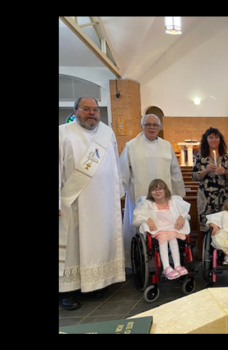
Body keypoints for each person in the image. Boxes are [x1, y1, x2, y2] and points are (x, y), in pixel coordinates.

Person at [59, 96, 126, 310]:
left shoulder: (107, 133)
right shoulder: (63, 133)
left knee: (97, 242)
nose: (92, 113)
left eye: (95, 109)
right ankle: (67, 291)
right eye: (86, 109)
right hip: (72, 201)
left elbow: (115, 163)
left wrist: (118, 192)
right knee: (72, 247)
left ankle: (96, 283)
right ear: (75, 111)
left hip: (103, 200)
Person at [119, 114, 186, 268]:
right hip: (139, 195)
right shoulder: (131, 146)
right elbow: (122, 171)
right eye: (147, 124)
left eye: (155, 125)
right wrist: (118, 192)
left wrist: (178, 195)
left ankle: (166, 260)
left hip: (164, 199)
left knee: (164, 226)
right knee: (141, 225)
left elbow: (175, 171)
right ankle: (138, 261)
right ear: (141, 126)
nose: (151, 127)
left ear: (159, 127)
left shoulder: (166, 146)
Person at [132, 179, 191, 280]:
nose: (157, 191)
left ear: (165, 190)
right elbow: (136, 220)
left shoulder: (173, 202)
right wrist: (147, 218)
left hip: (172, 229)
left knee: (172, 238)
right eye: (154, 190)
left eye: (160, 189)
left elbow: (187, 215)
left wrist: (182, 216)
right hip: (158, 231)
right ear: (150, 193)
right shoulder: (147, 204)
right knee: (163, 238)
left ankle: (177, 265)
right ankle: (166, 267)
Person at [192, 127, 228, 232]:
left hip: (223, 196)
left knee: (224, 228)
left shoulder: (227, 157)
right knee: (207, 227)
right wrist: (206, 170)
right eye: (211, 137)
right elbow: (194, 176)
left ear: (220, 139)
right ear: (206, 140)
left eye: (216, 137)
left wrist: (225, 172)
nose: (214, 140)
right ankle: (207, 248)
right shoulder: (201, 157)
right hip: (207, 198)